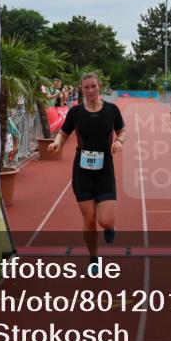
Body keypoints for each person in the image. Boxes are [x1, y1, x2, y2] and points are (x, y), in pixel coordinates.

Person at [47, 72, 126, 270]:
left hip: (105, 170)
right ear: (81, 90)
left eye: (93, 86)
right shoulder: (76, 113)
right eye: (86, 87)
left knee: (105, 221)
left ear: (99, 86)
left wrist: (118, 141)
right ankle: (94, 258)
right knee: (89, 220)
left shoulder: (111, 110)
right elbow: (63, 134)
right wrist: (57, 143)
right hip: (82, 171)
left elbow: (122, 130)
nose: (90, 90)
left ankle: (109, 227)